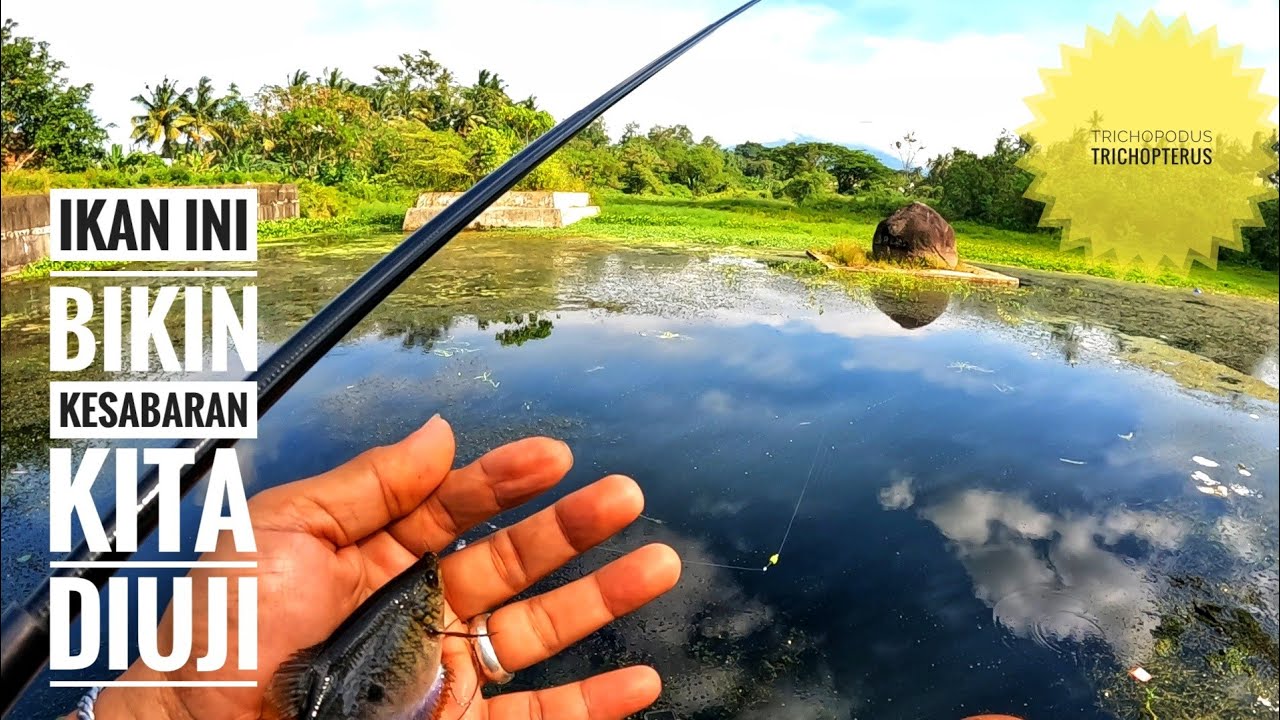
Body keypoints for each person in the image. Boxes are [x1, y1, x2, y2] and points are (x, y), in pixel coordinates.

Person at [72, 415, 682, 720]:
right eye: (430, 582)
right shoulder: (423, 613)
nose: (433, 579)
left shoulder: (418, 611)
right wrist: (169, 703)